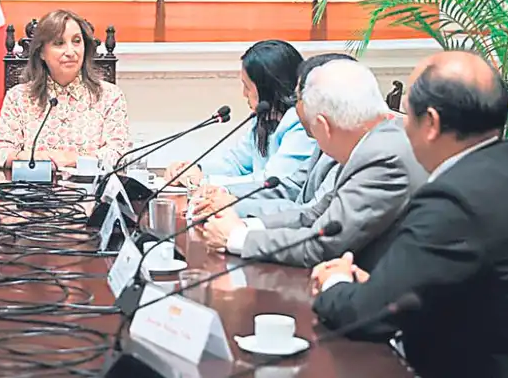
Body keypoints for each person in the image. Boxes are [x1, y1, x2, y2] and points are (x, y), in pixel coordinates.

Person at [311, 51, 508, 378]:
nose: (401, 125)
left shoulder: (456, 197)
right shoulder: (507, 167)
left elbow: (367, 317)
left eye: (406, 113)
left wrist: (334, 282)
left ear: (431, 123)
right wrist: (381, 287)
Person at [201, 59, 427, 268]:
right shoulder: (372, 142)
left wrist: (236, 238)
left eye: (311, 131)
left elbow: (325, 243)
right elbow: (313, 215)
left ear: (323, 126)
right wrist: (244, 227)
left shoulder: (382, 159)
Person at [167, 39, 316, 200]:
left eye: (247, 87)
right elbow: (236, 163)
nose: (244, 94)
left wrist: (205, 182)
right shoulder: (264, 117)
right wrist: (196, 169)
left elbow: (270, 182)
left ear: (268, 88)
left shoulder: (300, 124)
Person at [0, 9, 131, 169]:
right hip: (34, 185)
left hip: (91, 185)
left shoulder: (109, 96)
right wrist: (29, 157)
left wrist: (74, 159)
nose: (70, 52)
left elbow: (119, 154)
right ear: (41, 52)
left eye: (77, 41)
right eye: (59, 43)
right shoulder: (18, 97)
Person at [228, 52, 353, 218]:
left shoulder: (351, 151)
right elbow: (291, 186)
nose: (295, 106)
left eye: (298, 99)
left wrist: (233, 211)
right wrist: (227, 198)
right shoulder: (325, 139)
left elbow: (312, 213)